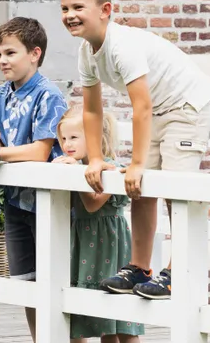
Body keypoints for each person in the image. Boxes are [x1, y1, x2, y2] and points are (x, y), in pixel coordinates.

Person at [61, 0, 210, 299]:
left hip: (187, 107)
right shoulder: (86, 53)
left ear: (105, 10)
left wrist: (135, 163)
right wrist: (97, 159)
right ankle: (139, 267)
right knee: (141, 189)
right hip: (159, 110)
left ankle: (178, 272)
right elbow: (91, 110)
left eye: (78, 6)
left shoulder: (123, 45)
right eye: (64, 9)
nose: (70, 15)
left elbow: (140, 106)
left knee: (175, 187)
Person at [0, 17, 68, 342]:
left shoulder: (50, 95)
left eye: (10, 53)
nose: (2, 61)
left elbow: (39, 151)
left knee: (55, 284)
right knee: (26, 284)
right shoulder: (0, 95)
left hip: (48, 202)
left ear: (35, 54)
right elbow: (4, 146)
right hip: (15, 201)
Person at [53, 106, 144, 343]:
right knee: (80, 312)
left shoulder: (107, 165)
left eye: (74, 137)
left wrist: (78, 173)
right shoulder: (73, 164)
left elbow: (93, 204)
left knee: (117, 320)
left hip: (108, 241)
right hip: (84, 241)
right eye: (63, 138)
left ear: (93, 137)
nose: (67, 144)